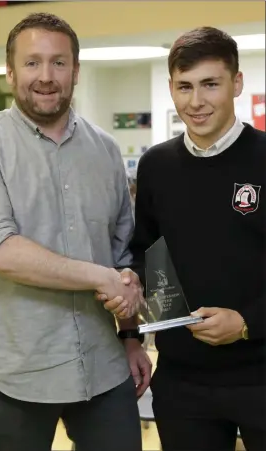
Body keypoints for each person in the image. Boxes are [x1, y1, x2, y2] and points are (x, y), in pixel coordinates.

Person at [0, 13, 151, 451]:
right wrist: (102, 278)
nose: (46, 76)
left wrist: (131, 336)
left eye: (59, 63)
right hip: (18, 372)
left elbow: (122, 257)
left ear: (76, 71)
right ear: (11, 71)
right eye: (33, 62)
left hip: (104, 365)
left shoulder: (106, 150)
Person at [121, 27, 265, 450]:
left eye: (210, 84)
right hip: (184, 382)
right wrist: (131, 286)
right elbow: (146, 254)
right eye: (184, 86)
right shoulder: (156, 166)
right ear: (171, 88)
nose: (196, 101)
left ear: (236, 83)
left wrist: (247, 324)